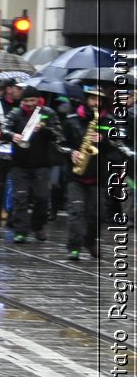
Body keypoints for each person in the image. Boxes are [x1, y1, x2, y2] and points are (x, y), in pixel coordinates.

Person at [3, 85, 63, 243]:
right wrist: (12, 135)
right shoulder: (16, 113)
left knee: (42, 198)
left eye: (32, 100)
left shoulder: (48, 113)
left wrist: (44, 129)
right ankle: (20, 230)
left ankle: (38, 226)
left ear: (38, 100)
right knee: (20, 198)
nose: (29, 104)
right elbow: (4, 128)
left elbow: (58, 134)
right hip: (19, 163)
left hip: (42, 163)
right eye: (26, 100)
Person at [64, 86, 109, 260]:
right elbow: (60, 143)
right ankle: (73, 247)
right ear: (86, 99)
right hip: (76, 175)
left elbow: (117, 146)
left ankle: (90, 241)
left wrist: (104, 140)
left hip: (98, 174)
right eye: (92, 99)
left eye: (99, 100)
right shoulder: (72, 120)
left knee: (96, 214)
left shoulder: (107, 121)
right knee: (76, 211)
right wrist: (71, 152)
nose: (96, 103)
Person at [0, 78, 24, 236]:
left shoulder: (22, 106)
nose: (20, 92)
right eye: (18, 88)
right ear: (9, 89)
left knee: (18, 189)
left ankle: (13, 220)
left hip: (19, 152)